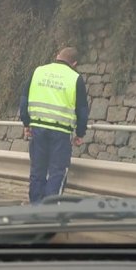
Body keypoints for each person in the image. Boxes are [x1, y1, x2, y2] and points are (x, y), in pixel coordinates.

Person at [20, 47, 89, 204]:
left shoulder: (38, 71)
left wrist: (26, 123)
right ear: (74, 63)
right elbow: (82, 110)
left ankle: (36, 209)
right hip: (61, 133)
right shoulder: (75, 78)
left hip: (37, 129)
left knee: (37, 172)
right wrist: (80, 133)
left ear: (57, 56)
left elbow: (24, 99)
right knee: (57, 173)